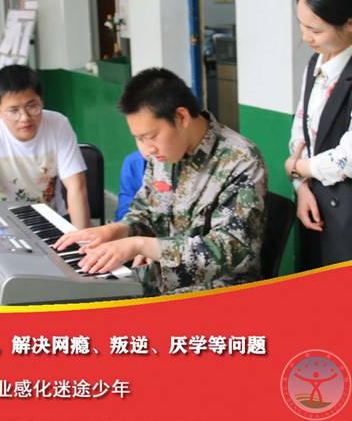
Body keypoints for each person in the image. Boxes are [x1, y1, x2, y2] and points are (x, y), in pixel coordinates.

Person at [54, 67, 267, 296]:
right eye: (138, 139)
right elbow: (145, 211)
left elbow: (228, 250)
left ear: (181, 117)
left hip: (218, 292)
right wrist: (116, 230)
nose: (146, 150)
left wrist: (140, 245)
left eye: (150, 137)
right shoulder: (163, 153)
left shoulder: (240, 160)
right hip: (160, 278)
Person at [0, 65, 90, 304]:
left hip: (53, 224)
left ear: (41, 101)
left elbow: (76, 187)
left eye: (32, 106)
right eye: (13, 110)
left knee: (70, 295)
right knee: (4, 296)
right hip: (4, 229)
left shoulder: (58, 123)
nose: (25, 117)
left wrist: (83, 246)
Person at [284, 0, 352, 269]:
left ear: (349, 24)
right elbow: (301, 131)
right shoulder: (316, 62)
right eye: (302, 25)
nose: (305, 37)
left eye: (315, 29)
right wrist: (301, 186)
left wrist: (297, 168)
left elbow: (348, 157)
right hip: (316, 204)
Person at [114, 150, 146, 221]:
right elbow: (127, 199)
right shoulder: (133, 161)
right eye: (141, 140)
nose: (152, 149)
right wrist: (121, 223)